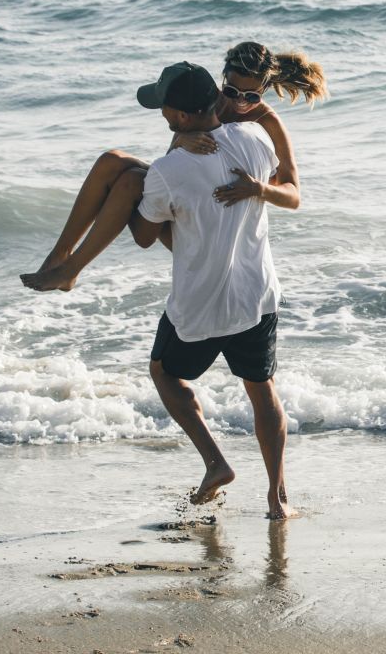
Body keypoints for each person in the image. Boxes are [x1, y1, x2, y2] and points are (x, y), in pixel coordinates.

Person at [123, 61, 295, 520]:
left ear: (178, 117)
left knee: (164, 372)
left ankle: (216, 462)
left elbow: (143, 235)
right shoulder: (257, 142)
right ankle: (278, 499)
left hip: (199, 305)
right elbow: (284, 187)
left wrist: (132, 190)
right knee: (262, 390)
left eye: (163, 108)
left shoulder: (166, 169)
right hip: (255, 297)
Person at [19, 41, 324, 293]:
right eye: (231, 92)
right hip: (189, 204)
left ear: (265, 89)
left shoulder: (268, 122)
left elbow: (294, 195)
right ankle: (60, 258)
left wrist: (259, 189)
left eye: (252, 96)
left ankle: (71, 269)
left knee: (130, 182)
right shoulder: (210, 103)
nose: (239, 104)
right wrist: (181, 142)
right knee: (110, 161)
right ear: (223, 81)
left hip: (216, 232)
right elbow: (171, 164)